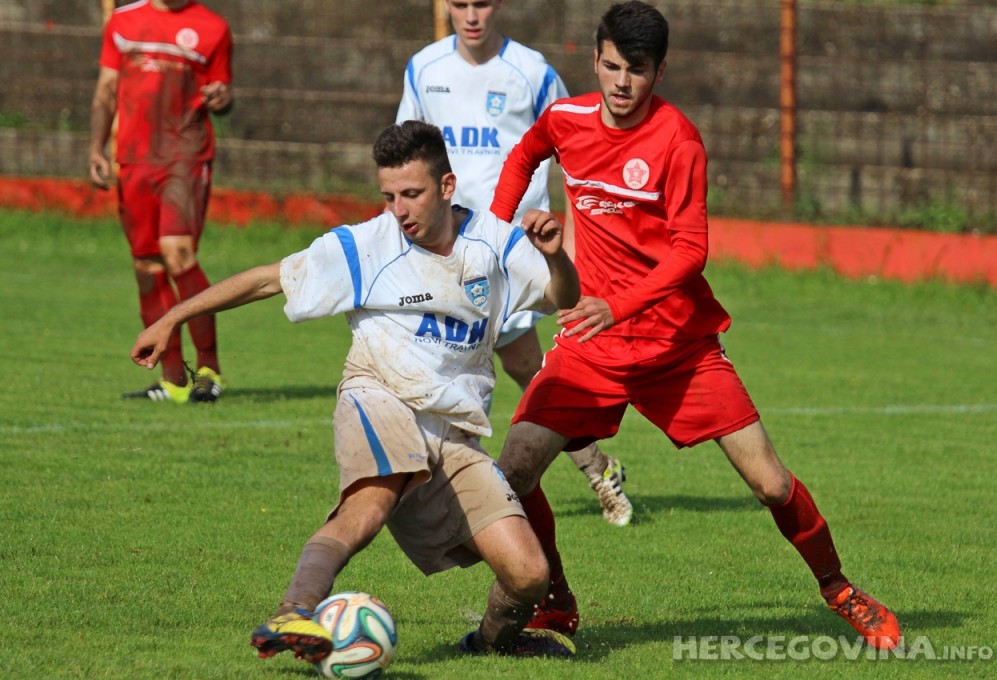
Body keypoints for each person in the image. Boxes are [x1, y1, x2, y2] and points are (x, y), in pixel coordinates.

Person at [489, 1, 903, 651]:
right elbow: (522, 155)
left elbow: (690, 251)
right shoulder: (565, 120)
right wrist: (495, 231)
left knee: (769, 481)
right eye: (612, 66)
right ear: (594, 59)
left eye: (638, 70)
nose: (622, 83)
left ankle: (838, 588)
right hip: (592, 346)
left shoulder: (677, 139)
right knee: (514, 471)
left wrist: (617, 304)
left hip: (677, 345)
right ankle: (558, 601)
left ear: (659, 71)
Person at [129, 120, 581, 661]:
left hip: (454, 431)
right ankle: (294, 611)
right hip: (379, 396)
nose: (399, 210)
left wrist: (555, 255)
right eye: (388, 196)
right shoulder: (367, 245)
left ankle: (486, 646)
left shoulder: (495, 242)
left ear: (446, 186)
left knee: (529, 575)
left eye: (411, 194)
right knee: (370, 504)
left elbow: (560, 296)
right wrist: (173, 317)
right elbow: (269, 279)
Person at [397, 0, 634, 528]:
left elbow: (579, 153)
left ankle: (459, 495)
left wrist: (572, 239)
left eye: (481, 3)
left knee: (512, 364)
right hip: (445, 244)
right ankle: (594, 469)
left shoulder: (532, 71)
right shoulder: (424, 68)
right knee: (478, 362)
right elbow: (406, 154)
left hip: (511, 247)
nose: (471, 14)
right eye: (459, 4)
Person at [90, 0, 232, 404]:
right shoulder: (122, 21)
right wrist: (96, 148)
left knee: (178, 253)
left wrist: (223, 97)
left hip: (185, 157)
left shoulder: (213, 28)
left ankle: (208, 370)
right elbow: (105, 91)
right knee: (147, 266)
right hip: (134, 159)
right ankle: (172, 380)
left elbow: (223, 93)